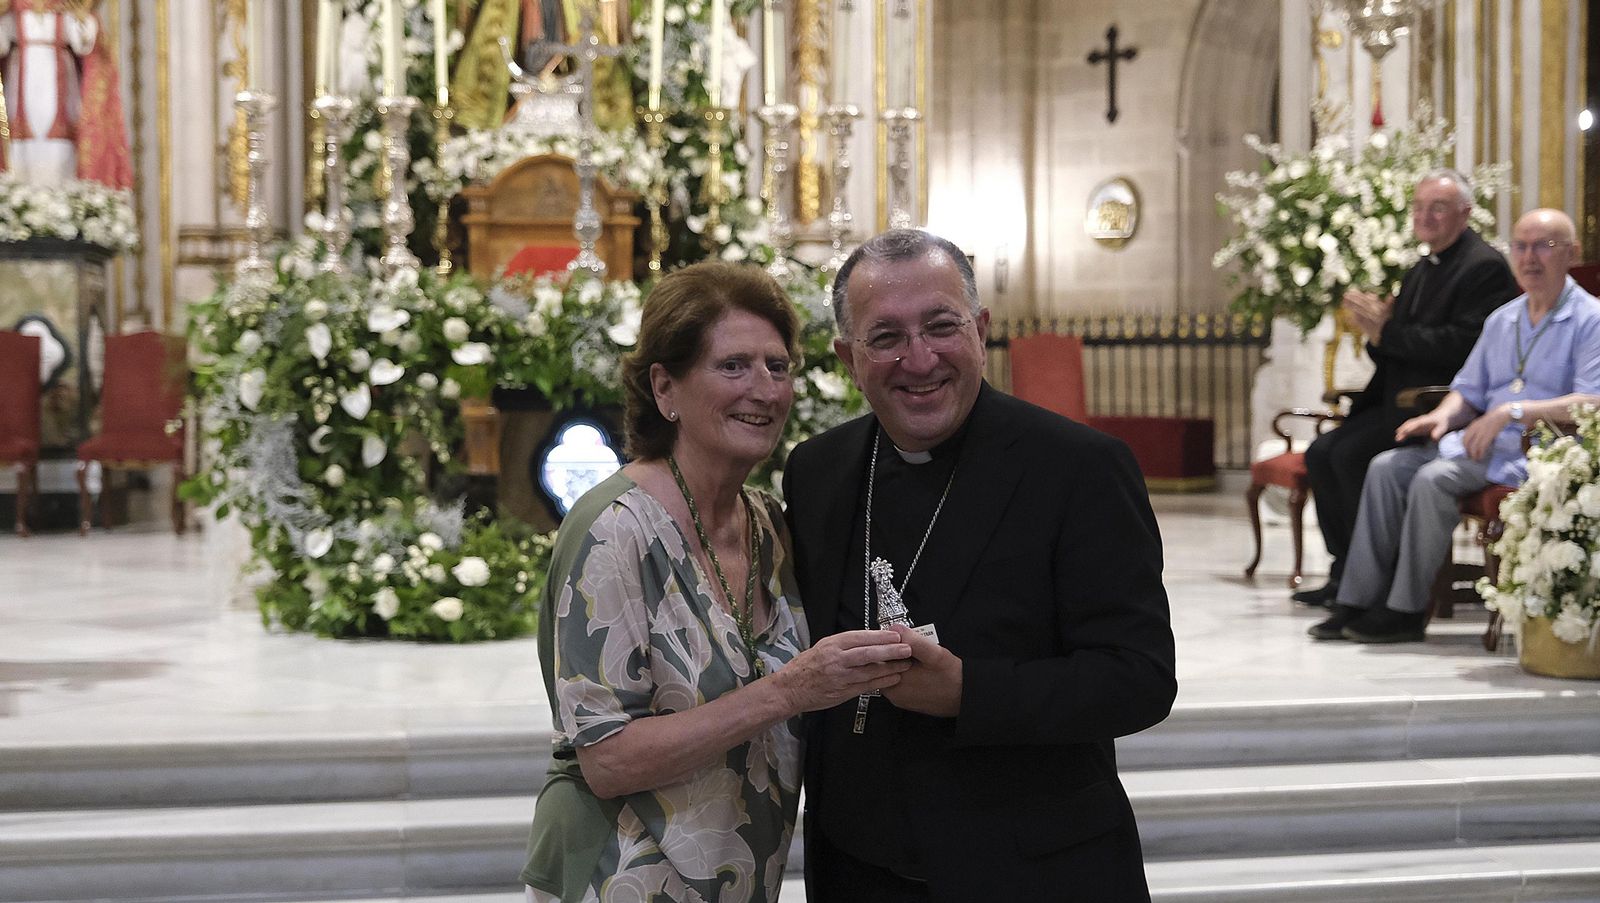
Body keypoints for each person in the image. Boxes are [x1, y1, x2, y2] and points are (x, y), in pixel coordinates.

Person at [784, 230, 1177, 901]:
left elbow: (1140, 678)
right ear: (849, 356)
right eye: (886, 337)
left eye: (942, 326)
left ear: (982, 330)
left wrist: (969, 691)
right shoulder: (817, 470)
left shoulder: (1078, 469)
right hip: (859, 868)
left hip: (1036, 872)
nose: (919, 358)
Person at [520, 262, 913, 902]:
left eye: (777, 367)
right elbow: (607, 759)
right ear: (665, 387)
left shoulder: (771, 525)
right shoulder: (613, 531)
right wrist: (788, 692)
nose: (763, 389)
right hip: (622, 876)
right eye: (732, 366)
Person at [1309, 209, 1600, 644]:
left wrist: (1512, 412)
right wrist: (1441, 415)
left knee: (1432, 479)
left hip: (1537, 452)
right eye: (1520, 246)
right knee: (1387, 466)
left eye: (1545, 245)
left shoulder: (1590, 318)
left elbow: (1592, 400)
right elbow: (1468, 388)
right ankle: (1357, 598)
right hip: (1480, 442)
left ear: (1573, 253)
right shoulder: (1505, 318)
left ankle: (1406, 610)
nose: (1529, 257)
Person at [1295, 169, 1518, 607]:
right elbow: (1396, 346)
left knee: (1350, 455)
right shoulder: (1421, 267)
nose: (1425, 217)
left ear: (1465, 213)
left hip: (1438, 405)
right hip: (1395, 401)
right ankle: (1346, 569)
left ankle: (1379, 577)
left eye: (1437, 207)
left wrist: (1387, 331)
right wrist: (1378, 332)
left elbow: (1462, 348)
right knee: (1321, 453)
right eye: (1418, 208)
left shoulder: (1483, 267)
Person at [0, 0, 132, 188]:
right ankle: (20, 197)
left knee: (61, 139)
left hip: (59, 76)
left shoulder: (65, 4)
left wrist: (82, 18)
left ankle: (62, 196)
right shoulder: (13, 6)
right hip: (21, 73)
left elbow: (83, 43)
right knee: (19, 139)